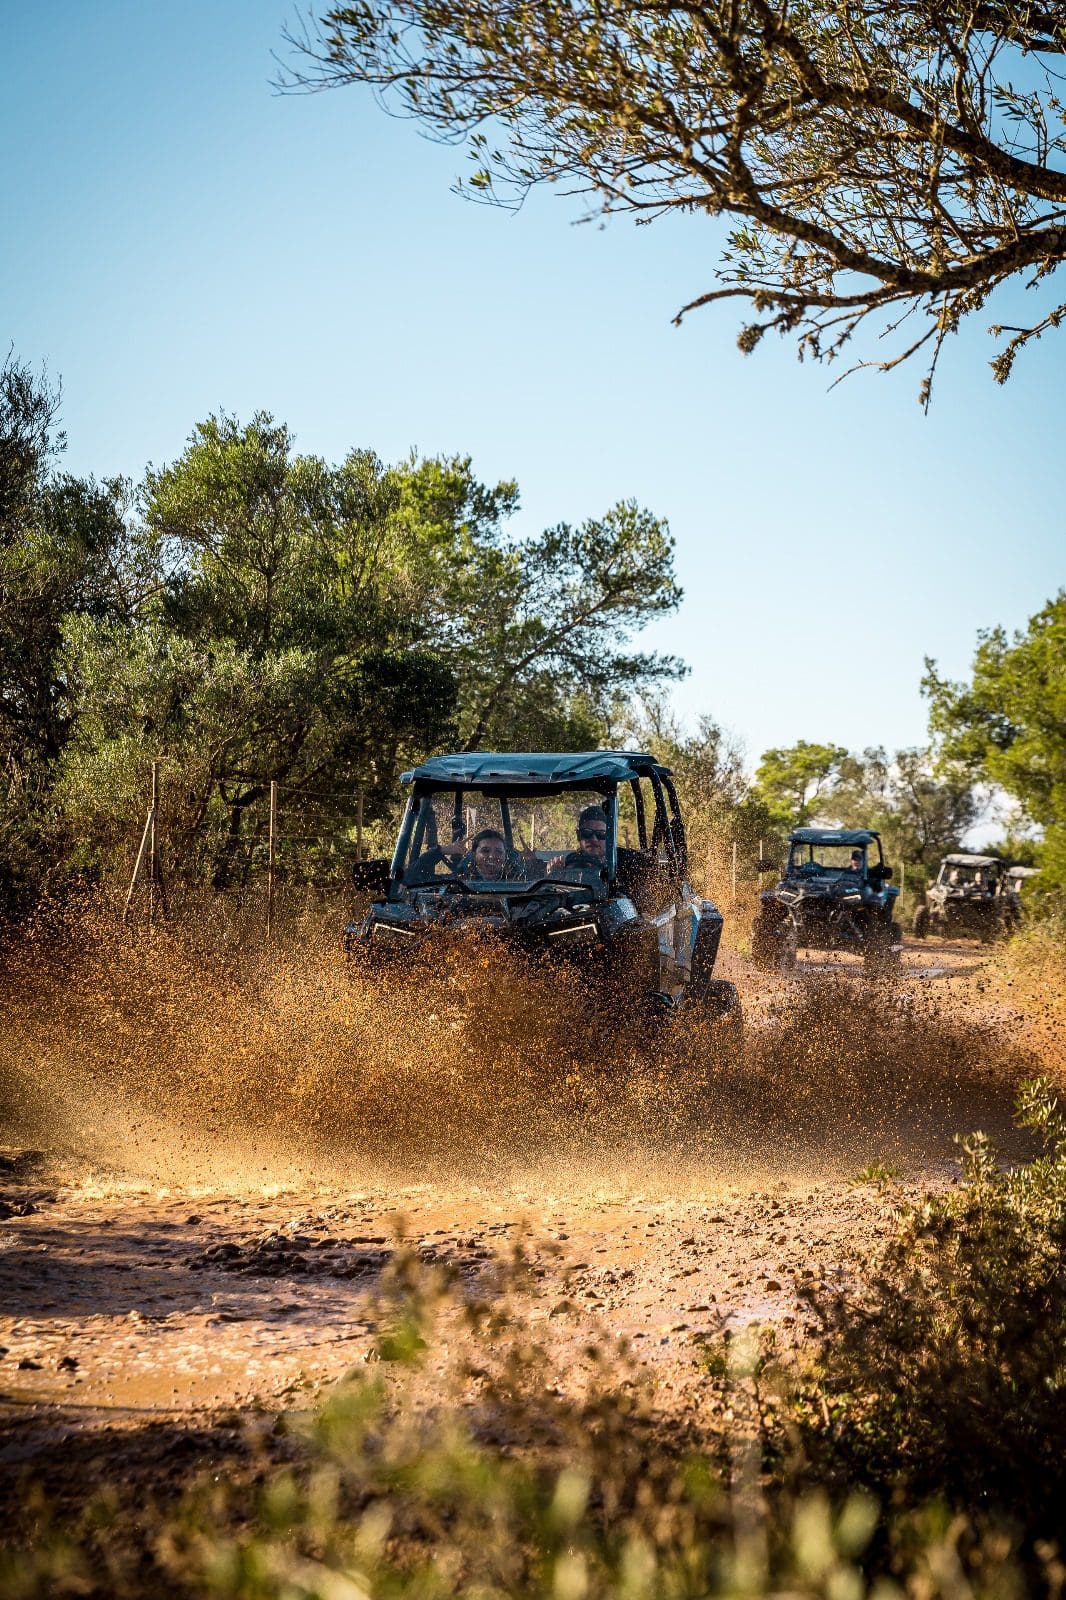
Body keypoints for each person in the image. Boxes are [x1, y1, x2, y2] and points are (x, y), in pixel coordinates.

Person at [549, 804, 609, 872]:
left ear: (609, 837)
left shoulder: (620, 863)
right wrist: (554, 876)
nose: (594, 839)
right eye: (587, 833)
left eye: (601, 834)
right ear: (578, 835)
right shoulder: (570, 863)